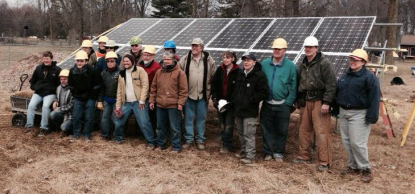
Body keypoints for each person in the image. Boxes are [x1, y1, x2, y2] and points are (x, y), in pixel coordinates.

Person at [334, 49, 379, 183]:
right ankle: (353, 166)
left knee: (357, 143)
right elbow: (338, 93)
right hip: (344, 112)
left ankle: (365, 168)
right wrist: (336, 109)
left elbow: (374, 98)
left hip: (359, 113)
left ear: (363, 62)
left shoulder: (369, 78)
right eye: (351, 59)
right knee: (347, 141)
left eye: (356, 60)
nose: (352, 62)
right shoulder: (344, 76)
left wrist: (372, 116)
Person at [294, 36, 337, 172]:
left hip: (320, 101)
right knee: (304, 130)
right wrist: (297, 98)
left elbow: (331, 84)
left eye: (310, 47)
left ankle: (325, 161)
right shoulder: (302, 64)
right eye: (306, 47)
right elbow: (298, 82)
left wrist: (327, 102)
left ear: (316, 48)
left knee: (322, 132)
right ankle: (304, 155)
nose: (308, 49)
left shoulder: (325, 63)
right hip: (305, 101)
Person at [260, 38, 297, 162]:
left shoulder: (290, 66)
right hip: (267, 103)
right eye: (274, 48)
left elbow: (293, 85)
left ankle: (278, 152)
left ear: (285, 50)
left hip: (282, 104)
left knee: (281, 130)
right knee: (266, 129)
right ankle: (268, 152)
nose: (276, 51)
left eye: (279, 49)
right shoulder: (264, 64)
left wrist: (288, 102)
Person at [178, 38, 216, 150]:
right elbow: (178, 75)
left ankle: (200, 140)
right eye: (192, 45)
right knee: (188, 118)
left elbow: (213, 76)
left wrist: (210, 93)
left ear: (201, 47)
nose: (194, 48)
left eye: (196, 46)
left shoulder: (209, 60)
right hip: (188, 95)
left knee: (201, 119)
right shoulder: (185, 59)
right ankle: (189, 140)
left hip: (202, 95)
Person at [232, 54, 269, 164]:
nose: (246, 62)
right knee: (241, 132)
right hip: (239, 109)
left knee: (249, 134)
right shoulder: (240, 73)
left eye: (248, 60)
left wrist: (252, 99)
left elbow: (264, 92)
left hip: (250, 111)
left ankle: (250, 156)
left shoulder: (259, 75)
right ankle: (244, 151)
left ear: (254, 62)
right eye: (244, 60)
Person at [114, 54, 156, 146]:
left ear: (132, 61)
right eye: (124, 61)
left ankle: (151, 142)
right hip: (126, 103)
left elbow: (145, 86)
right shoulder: (122, 74)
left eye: (127, 61)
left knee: (144, 123)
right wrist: (118, 105)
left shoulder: (140, 70)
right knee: (118, 121)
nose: (126, 63)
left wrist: (142, 101)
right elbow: (119, 91)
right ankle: (118, 138)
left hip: (138, 102)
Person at [150, 51, 188, 152]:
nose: (166, 61)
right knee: (160, 126)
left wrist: (180, 103)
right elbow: (153, 88)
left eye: (168, 59)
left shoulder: (180, 73)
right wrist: (151, 101)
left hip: (173, 105)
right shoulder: (159, 72)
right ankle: (161, 144)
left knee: (174, 127)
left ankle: (176, 146)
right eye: (164, 59)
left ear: (173, 60)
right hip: (160, 104)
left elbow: (183, 90)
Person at [210, 51, 241, 154]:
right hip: (220, 103)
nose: (225, 59)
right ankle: (224, 143)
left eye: (228, 57)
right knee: (222, 124)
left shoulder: (238, 72)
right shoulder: (220, 70)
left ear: (232, 59)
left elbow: (238, 89)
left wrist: (232, 102)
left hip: (231, 104)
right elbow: (214, 84)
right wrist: (215, 98)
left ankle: (228, 146)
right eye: (224, 57)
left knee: (229, 125)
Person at [25, 51, 61, 136]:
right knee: (31, 106)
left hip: (50, 94)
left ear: (51, 59)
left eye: (47, 59)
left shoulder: (57, 70)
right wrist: (34, 87)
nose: (46, 60)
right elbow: (32, 80)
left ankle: (44, 128)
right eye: (44, 59)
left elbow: (59, 84)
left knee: (45, 107)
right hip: (38, 93)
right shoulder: (38, 68)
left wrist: (56, 95)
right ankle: (29, 126)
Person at [68, 50, 101, 142]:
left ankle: (86, 135)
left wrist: (91, 95)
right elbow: (70, 85)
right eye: (78, 60)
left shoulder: (92, 70)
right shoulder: (72, 71)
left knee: (89, 117)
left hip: (90, 98)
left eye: (81, 61)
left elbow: (97, 85)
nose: (79, 63)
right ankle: (76, 135)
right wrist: (75, 93)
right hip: (78, 98)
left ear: (86, 61)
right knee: (76, 117)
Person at [97, 51, 120, 140]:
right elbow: (101, 88)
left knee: (116, 119)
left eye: (112, 61)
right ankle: (105, 135)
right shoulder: (103, 73)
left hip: (117, 100)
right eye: (108, 61)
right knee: (105, 118)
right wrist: (100, 100)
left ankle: (117, 136)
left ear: (115, 61)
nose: (110, 63)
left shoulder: (121, 72)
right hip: (107, 99)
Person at [138, 45, 161, 129]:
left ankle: (154, 133)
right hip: (141, 96)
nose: (146, 57)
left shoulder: (157, 67)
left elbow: (158, 83)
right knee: (142, 116)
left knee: (152, 116)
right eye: (144, 55)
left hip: (152, 96)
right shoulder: (140, 66)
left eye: (148, 55)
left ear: (153, 56)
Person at [49, 69, 73, 137]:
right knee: (52, 115)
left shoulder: (72, 90)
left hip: (70, 115)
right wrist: (55, 101)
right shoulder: (58, 88)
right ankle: (59, 129)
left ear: (69, 79)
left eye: (65, 79)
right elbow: (56, 97)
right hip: (62, 112)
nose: (63, 81)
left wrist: (59, 109)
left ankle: (67, 130)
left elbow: (71, 106)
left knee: (64, 127)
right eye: (61, 79)